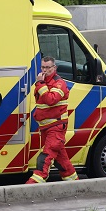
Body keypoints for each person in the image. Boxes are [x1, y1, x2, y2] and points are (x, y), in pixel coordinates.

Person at [26, 56, 78, 184]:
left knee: (45, 158)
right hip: (46, 127)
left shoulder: (59, 83)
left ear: (54, 68)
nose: (44, 70)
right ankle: (75, 184)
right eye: (43, 67)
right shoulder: (43, 82)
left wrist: (40, 84)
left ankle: (32, 186)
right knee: (62, 161)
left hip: (56, 127)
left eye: (48, 67)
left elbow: (51, 100)